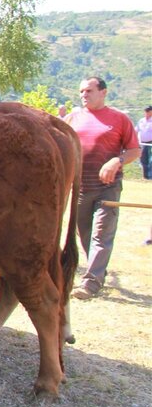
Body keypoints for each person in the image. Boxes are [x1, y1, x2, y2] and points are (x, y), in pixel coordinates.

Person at [65, 77, 141, 300]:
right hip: (80, 187)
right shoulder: (72, 118)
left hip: (108, 188)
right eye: (81, 91)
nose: (83, 95)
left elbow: (135, 150)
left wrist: (117, 161)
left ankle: (91, 283)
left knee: (101, 234)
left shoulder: (119, 119)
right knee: (85, 233)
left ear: (103, 92)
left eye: (89, 90)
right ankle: (98, 271)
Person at [137, 105, 152, 180]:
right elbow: (136, 130)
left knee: (150, 160)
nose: (146, 112)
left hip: (150, 143)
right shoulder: (141, 121)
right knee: (143, 160)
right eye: (145, 111)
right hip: (142, 143)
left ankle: (150, 176)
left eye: (148, 111)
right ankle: (145, 177)